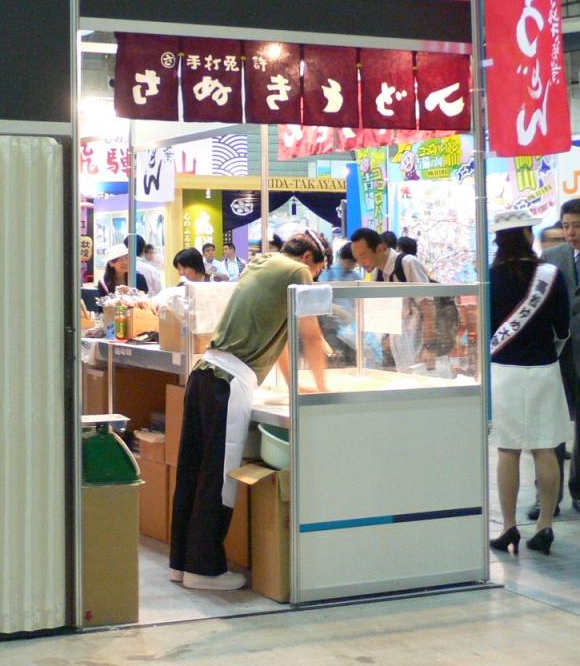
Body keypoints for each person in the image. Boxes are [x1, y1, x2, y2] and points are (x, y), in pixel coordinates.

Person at [170, 232, 331, 591]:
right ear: (309, 258)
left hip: (204, 373)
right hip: (228, 382)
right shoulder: (298, 272)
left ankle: (182, 563)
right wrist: (323, 389)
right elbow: (310, 334)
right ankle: (204, 570)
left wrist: (295, 386)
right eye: (318, 271)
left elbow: (282, 341)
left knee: (193, 472)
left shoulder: (262, 263)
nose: (314, 278)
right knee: (219, 477)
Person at [486, 210, 570, 557]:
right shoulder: (551, 274)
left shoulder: (490, 277)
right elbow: (563, 327)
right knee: (544, 448)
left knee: (508, 450)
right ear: (527, 235)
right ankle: (545, 526)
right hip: (543, 368)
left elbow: (485, 326)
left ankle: (509, 527)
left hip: (504, 370)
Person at [531, 199, 580, 520]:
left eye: (577, 226)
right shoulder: (551, 259)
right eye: (566, 226)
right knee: (550, 426)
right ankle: (547, 496)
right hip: (556, 353)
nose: (570, 232)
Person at [350, 227, 434, 367]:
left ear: (380, 248)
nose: (361, 263)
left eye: (363, 256)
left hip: (420, 351)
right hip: (399, 353)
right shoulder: (378, 273)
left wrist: (429, 347)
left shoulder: (408, 263)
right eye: (357, 259)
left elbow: (428, 307)